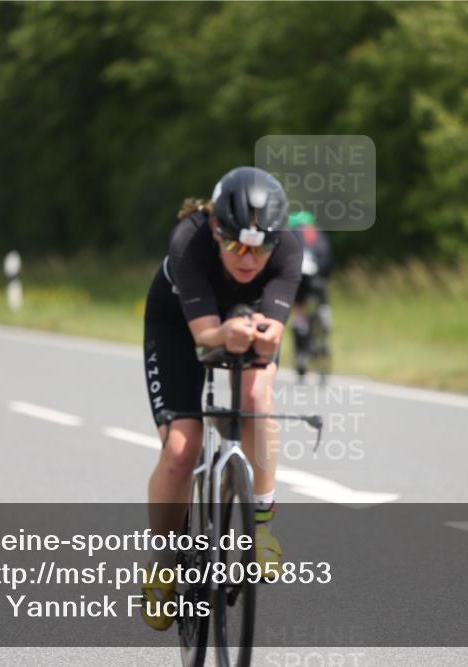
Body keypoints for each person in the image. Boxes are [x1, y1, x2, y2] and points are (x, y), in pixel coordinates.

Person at [140, 166, 301, 630]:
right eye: (236, 246)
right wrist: (225, 333)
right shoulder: (188, 242)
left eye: (261, 248)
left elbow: (274, 334)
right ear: (215, 229)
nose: (249, 259)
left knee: (256, 395)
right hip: (180, 325)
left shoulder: (289, 248)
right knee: (181, 447)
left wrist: (266, 340)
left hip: (245, 318)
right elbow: (204, 337)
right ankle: (163, 563)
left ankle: (261, 525)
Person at [288, 211, 333, 379]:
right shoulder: (318, 233)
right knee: (321, 294)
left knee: (299, 309)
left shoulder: (292, 233)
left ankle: (301, 351)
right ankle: (324, 312)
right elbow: (328, 259)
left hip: (299, 278)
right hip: (318, 277)